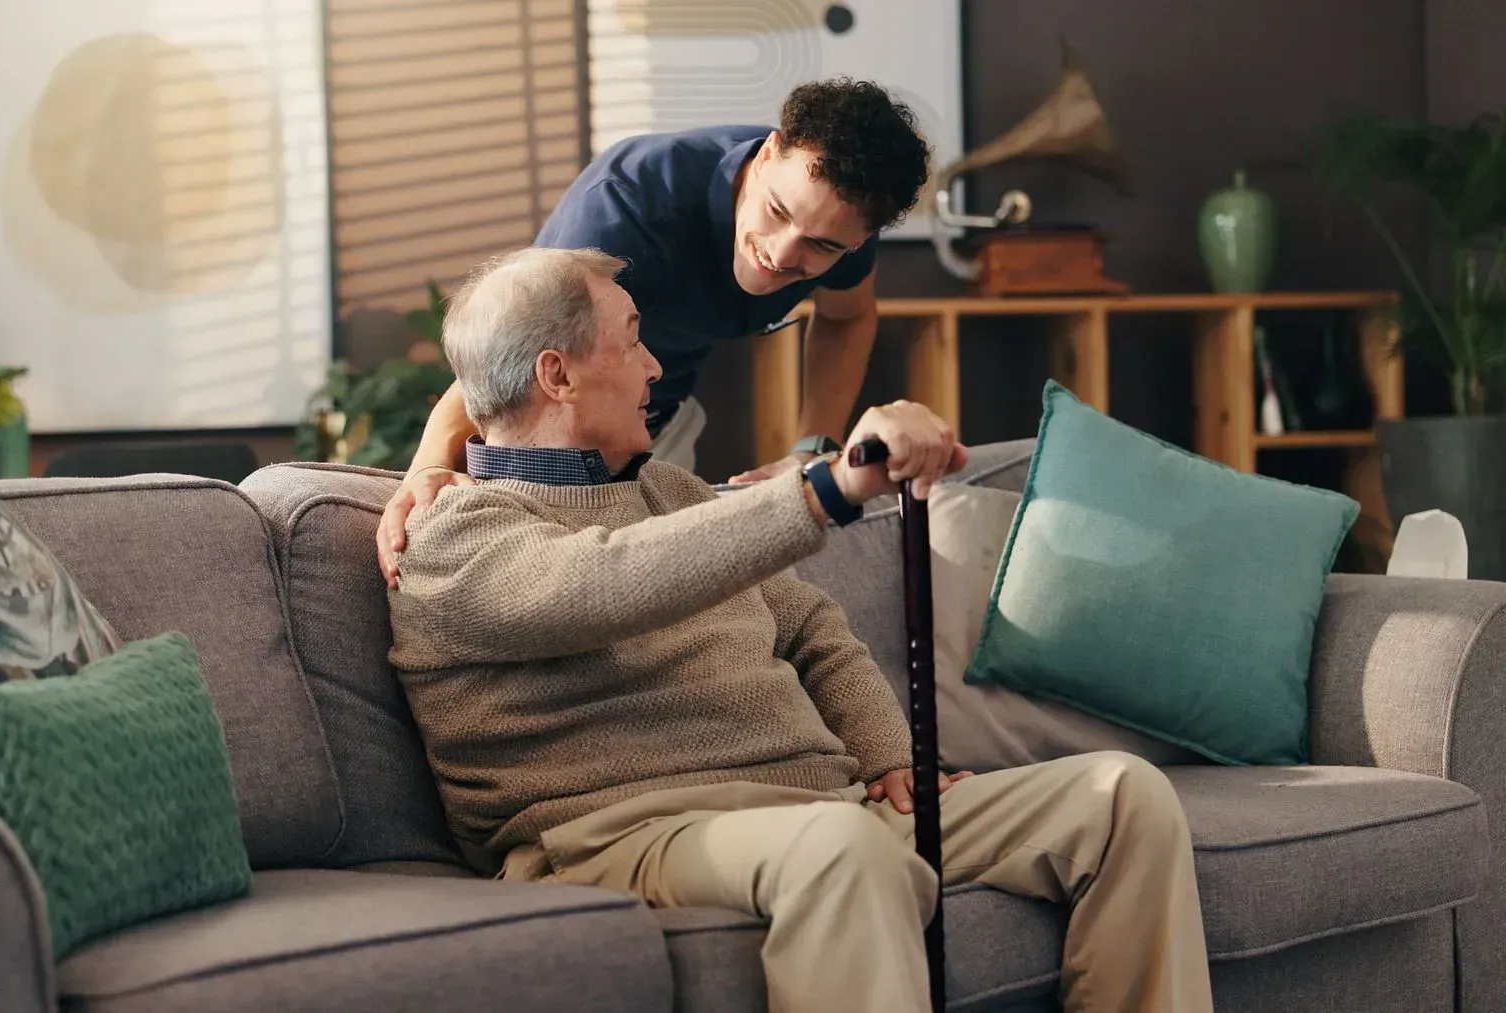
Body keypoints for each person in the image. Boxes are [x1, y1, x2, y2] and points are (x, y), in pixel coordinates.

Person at [384, 246, 1214, 1013]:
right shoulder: (452, 534)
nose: (655, 367)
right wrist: (826, 488)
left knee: (1119, 796)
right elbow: (605, 581)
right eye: (633, 342)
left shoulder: (671, 492)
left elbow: (812, 625)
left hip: (818, 805)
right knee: (839, 845)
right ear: (556, 374)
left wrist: (889, 752)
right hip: (618, 834)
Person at [375, 77, 932, 588]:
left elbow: (846, 318)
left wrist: (808, 450)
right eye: (778, 211)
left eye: (823, 246)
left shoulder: (846, 218)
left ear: (857, 241)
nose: (782, 255)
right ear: (766, 157)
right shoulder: (626, 207)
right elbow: (509, 364)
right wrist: (423, 473)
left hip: (658, 424)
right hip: (546, 430)